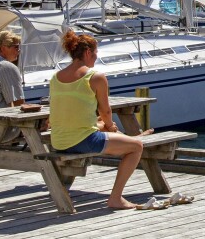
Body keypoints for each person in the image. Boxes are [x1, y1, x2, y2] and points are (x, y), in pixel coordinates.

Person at [49, 30, 150, 210]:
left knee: (103, 128)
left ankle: (123, 136)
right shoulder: (95, 77)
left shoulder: (55, 78)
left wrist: (103, 126)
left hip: (58, 141)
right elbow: (106, 110)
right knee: (136, 147)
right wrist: (110, 127)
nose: (95, 58)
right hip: (82, 141)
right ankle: (116, 198)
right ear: (88, 53)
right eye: (95, 54)